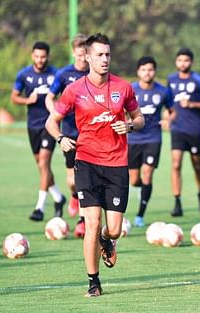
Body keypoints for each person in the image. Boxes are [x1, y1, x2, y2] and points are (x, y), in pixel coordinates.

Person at [45, 33, 144, 297]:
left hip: (117, 164)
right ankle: (93, 280)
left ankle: (106, 239)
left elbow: (139, 118)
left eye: (107, 55)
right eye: (99, 55)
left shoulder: (123, 87)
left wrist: (130, 125)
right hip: (86, 162)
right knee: (91, 221)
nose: (104, 59)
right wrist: (61, 138)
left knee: (114, 229)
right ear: (87, 57)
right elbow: (51, 121)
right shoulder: (74, 90)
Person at [11, 41, 66, 221]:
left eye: (43, 57)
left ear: (48, 57)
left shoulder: (57, 74)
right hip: (32, 126)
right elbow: (14, 97)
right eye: (37, 56)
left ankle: (39, 208)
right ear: (32, 56)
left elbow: (66, 97)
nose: (40, 60)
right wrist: (28, 100)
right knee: (42, 166)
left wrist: (59, 107)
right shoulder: (24, 75)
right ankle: (58, 198)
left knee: (43, 163)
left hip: (50, 124)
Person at [45, 34, 89, 237]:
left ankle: (82, 221)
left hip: (90, 133)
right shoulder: (64, 75)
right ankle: (73, 196)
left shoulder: (94, 73)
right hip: (69, 132)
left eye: (85, 54)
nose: (82, 58)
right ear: (74, 53)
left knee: (85, 178)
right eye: (79, 54)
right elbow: (50, 97)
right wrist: (55, 114)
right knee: (72, 180)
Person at [167, 48, 200, 217]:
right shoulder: (171, 79)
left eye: (186, 60)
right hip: (177, 129)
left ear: (191, 62)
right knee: (176, 164)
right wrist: (167, 118)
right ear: (176, 62)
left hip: (194, 129)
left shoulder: (198, 80)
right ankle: (177, 202)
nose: (183, 63)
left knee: (196, 164)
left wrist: (192, 104)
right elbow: (168, 103)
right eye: (180, 60)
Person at [129, 56, 174, 227]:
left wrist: (167, 120)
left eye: (150, 69)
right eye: (143, 70)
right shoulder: (130, 90)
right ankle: (142, 189)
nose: (147, 73)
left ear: (154, 71)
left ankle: (140, 215)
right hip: (133, 139)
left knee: (147, 174)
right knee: (134, 180)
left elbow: (172, 111)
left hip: (153, 138)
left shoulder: (163, 91)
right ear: (138, 72)